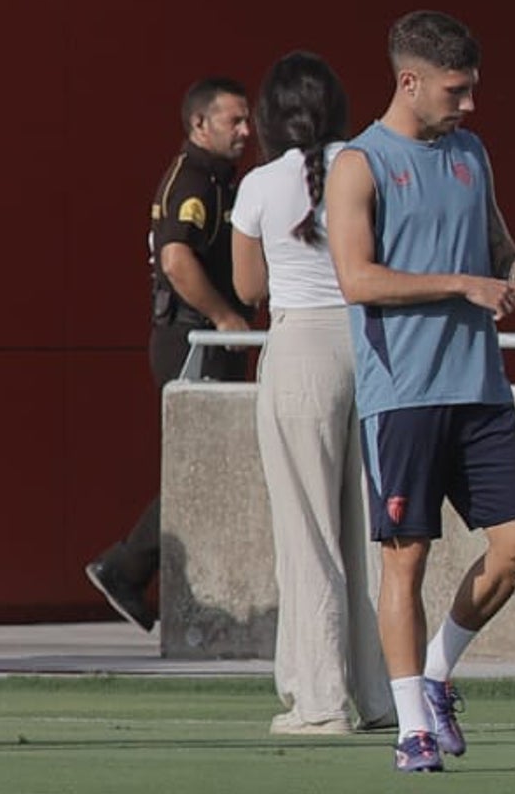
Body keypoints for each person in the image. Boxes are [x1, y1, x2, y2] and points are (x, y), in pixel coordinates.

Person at [325, 10, 515, 772]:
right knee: (407, 561)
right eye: (455, 91)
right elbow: (356, 279)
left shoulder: (471, 152)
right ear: (410, 81)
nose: (468, 105)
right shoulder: (358, 164)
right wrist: (461, 285)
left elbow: (499, 246)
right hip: (403, 396)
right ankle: (412, 729)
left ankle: (434, 674)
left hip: (481, 389)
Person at [230, 51, 394, 735]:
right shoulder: (369, 166)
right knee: (369, 534)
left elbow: (247, 289)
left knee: (308, 535)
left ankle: (319, 698)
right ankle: (382, 696)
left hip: (301, 348)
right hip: (371, 343)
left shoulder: (262, 184)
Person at [85, 77, 254, 631]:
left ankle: (134, 569)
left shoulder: (222, 180)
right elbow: (177, 259)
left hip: (212, 337)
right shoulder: (194, 181)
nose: (245, 132)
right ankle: (126, 566)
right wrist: (225, 316)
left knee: (218, 464)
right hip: (192, 337)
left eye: (247, 120)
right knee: (201, 466)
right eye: (234, 121)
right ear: (199, 125)